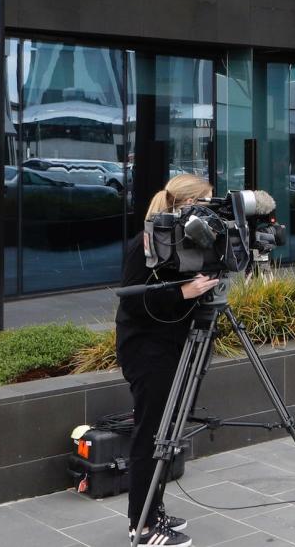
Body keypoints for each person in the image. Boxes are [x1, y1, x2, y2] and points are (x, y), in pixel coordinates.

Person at [116, 174, 220, 547]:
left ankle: (153, 509)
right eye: (204, 203)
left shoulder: (189, 244)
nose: (209, 211)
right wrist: (184, 291)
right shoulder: (143, 245)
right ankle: (140, 527)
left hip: (177, 345)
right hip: (147, 350)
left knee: (169, 433)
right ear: (184, 205)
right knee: (152, 434)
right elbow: (133, 300)